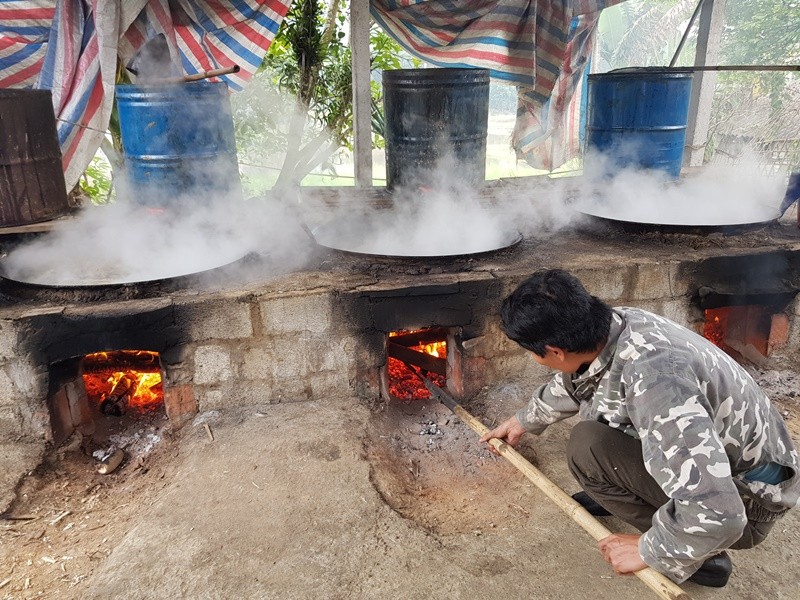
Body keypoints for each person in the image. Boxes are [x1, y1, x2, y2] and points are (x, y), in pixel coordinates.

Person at [480, 269, 799, 587]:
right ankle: (625, 495)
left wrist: (652, 549)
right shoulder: (615, 327)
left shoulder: (655, 386)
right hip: (744, 470)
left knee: (586, 447)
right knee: (599, 415)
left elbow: (722, 514)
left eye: (531, 351)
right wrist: (523, 420)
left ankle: (699, 553)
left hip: (749, 505)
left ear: (554, 352)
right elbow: (579, 378)